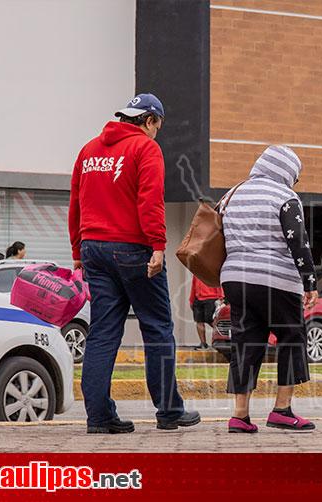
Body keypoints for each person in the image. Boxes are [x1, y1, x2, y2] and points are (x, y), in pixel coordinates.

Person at [68, 93, 199, 434]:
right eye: (158, 126)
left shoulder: (89, 150)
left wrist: (78, 253)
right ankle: (169, 410)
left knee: (102, 332)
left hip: (94, 248)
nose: (157, 132)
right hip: (133, 249)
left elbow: (76, 204)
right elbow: (150, 199)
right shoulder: (145, 148)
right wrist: (158, 245)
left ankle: (99, 416)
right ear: (149, 120)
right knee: (157, 327)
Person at [220, 145, 318, 433]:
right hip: (276, 280)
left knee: (246, 342)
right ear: (286, 171)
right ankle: (282, 410)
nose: (295, 182)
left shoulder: (233, 193)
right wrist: (309, 282)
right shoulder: (285, 197)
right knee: (291, 336)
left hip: (235, 279)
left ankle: (240, 415)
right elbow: (298, 242)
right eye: (295, 176)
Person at [190, 276, 223, 350]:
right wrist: (191, 300)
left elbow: (218, 284)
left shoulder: (210, 271)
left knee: (211, 320)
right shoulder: (196, 273)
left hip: (211, 298)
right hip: (198, 299)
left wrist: (221, 297)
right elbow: (193, 286)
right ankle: (203, 343)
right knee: (199, 321)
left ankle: (219, 339)